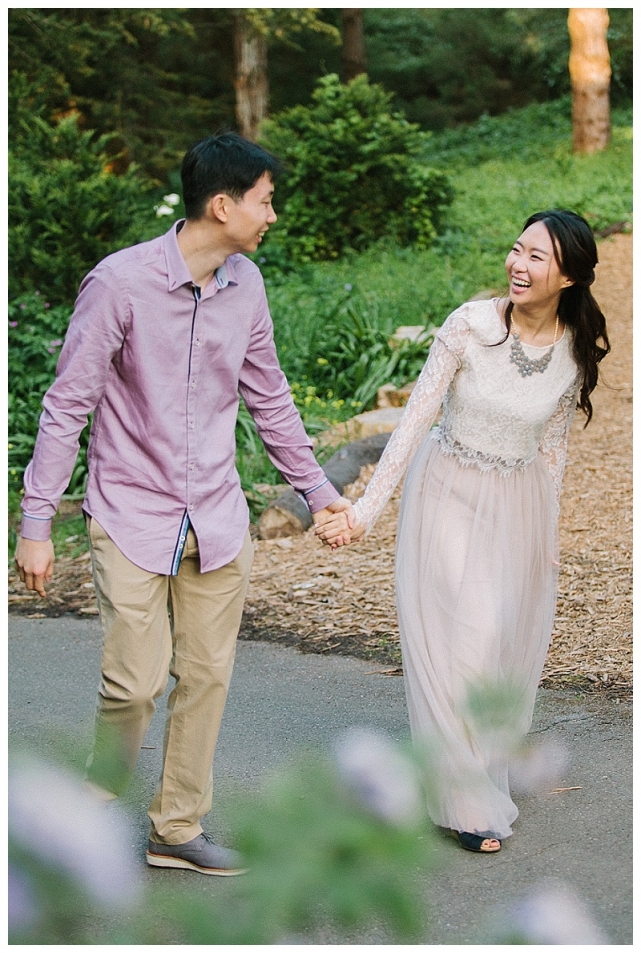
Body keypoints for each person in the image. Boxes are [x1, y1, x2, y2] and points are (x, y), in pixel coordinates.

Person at [14, 132, 353, 876]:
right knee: (134, 681)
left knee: (205, 677)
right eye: (265, 201)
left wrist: (319, 493)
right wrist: (35, 523)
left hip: (218, 519)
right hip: (130, 512)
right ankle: (91, 796)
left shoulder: (247, 285)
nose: (273, 215)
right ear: (223, 204)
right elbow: (67, 404)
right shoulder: (119, 284)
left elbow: (270, 400)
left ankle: (176, 826)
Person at [316, 210, 609, 853]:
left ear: (568, 276)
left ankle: (463, 775)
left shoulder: (573, 350)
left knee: (493, 645)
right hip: (446, 488)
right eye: (515, 249)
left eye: (538, 257)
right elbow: (414, 421)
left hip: (516, 502)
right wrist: (365, 511)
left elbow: (553, 449)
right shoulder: (470, 326)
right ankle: (467, 802)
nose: (519, 265)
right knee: (462, 638)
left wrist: (544, 541)